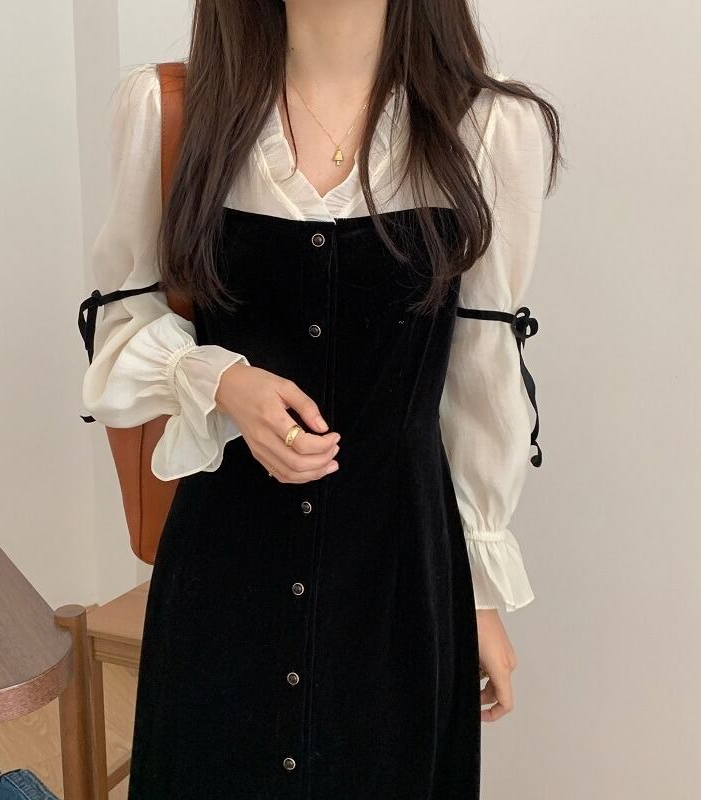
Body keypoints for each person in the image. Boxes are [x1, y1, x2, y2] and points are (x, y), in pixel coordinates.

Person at [81, 1, 561, 796]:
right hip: (223, 577)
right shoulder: (173, 111)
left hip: (399, 579)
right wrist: (220, 380)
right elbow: (119, 325)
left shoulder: (489, 129)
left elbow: (482, 372)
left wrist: (479, 590)